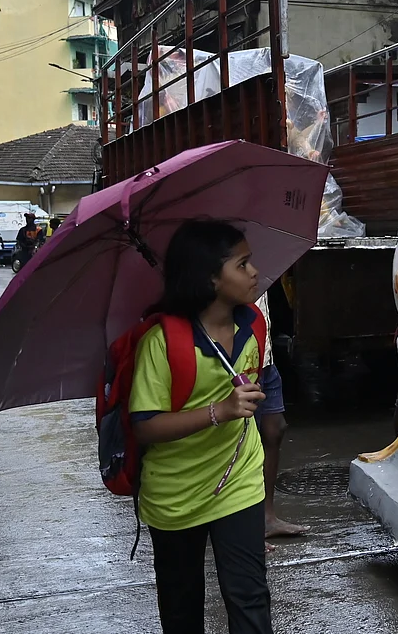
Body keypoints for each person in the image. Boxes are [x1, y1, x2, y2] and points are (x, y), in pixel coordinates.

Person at [130, 220, 273, 634]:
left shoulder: (253, 327)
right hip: (175, 494)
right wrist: (220, 411)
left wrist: (246, 396)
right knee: (181, 608)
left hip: (239, 479)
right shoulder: (162, 341)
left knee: (250, 597)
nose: (254, 273)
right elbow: (146, 427)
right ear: (211, 278)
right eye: (242, 265)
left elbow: (247, 386)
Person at [252, 292, 309, 544]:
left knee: (275, 428)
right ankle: (244, 529)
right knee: (243, 441)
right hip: (241, 359)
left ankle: (266, 518)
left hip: (265, 356)